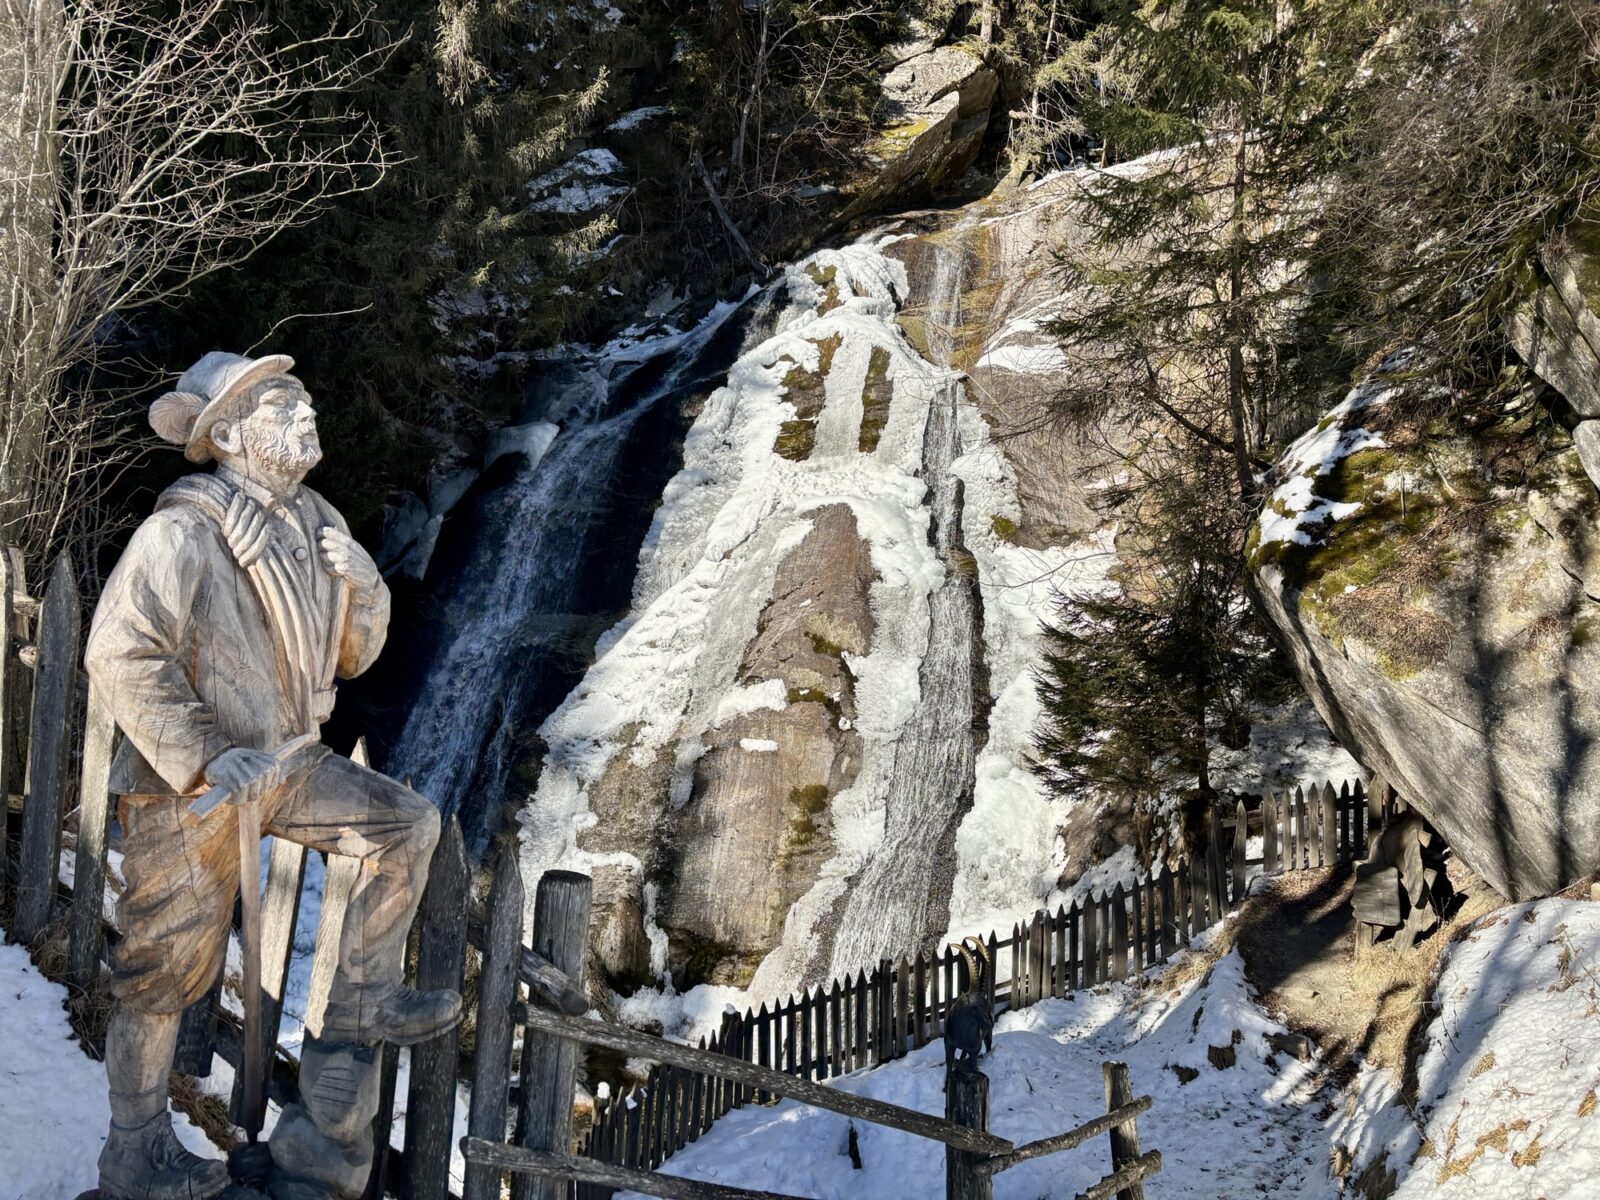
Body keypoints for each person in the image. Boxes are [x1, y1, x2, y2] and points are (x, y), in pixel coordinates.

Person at [86, 352, 461, 1200]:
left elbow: (353, 658)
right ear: (228, 434)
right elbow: (117, 649)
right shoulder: (181, 532)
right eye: (282, 403)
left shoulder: (318, 519)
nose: (306, 411)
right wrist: (210, 753)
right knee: (163, 971)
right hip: (192, 783)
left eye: (302, 395)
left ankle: (363, 1002)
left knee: (406, 828)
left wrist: (366, 590)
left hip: (289, 762)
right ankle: (134, 1153)